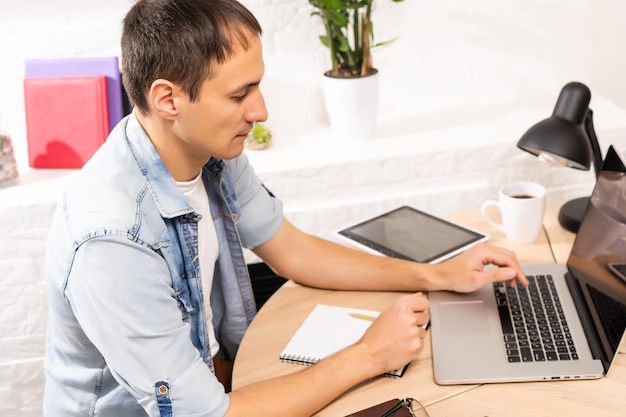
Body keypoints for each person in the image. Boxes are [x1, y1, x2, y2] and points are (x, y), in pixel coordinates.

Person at [42, 0, 528, 416]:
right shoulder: (111, 240)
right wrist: (368, 355)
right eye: (239, 94)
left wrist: (436, 275)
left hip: (212, 379)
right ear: (168, 99)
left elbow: (292, 250)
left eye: (257, 86)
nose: (260, 111)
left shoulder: (210, 151)